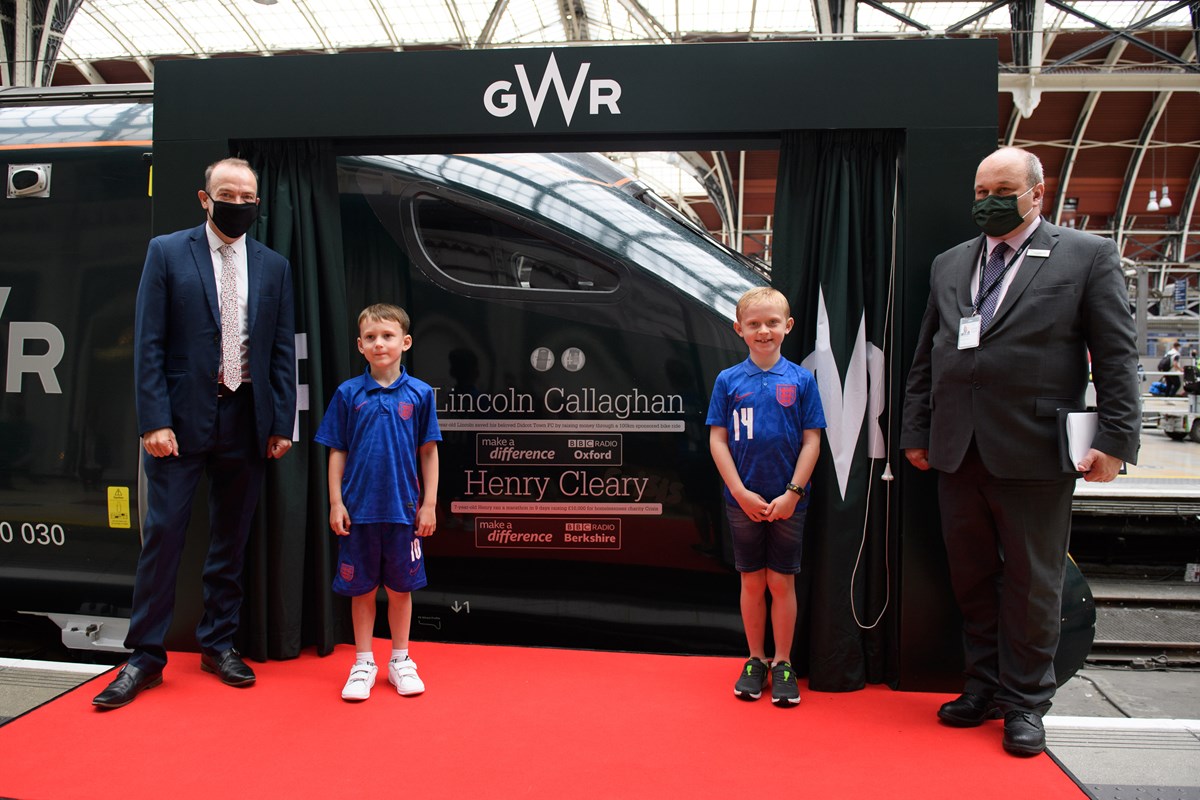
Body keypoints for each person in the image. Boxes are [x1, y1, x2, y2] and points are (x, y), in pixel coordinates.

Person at [901, 147, 1140, 755]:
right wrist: (917, 430)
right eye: (980, 191)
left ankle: (1027, 701)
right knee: (973, 579)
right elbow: (928, 355)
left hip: (1035, 452)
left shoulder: (1086, 256)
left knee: (1033, 584)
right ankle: (981, 685)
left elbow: (1116, 356)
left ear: (1038, 192)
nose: (988, 202)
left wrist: (1115, 441)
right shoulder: (951, 263)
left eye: (1002, 189)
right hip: (957, 450)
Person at [93, 157, 296, 709]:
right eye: (227, 193)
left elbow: (280, 352)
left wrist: (282, 422)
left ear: (258, 203)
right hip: (177, 424)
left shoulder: (274, 266)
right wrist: (153, 420)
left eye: (247, 195)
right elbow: (149, 343)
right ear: (205, 199)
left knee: (231, 541)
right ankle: (144, 657)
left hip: (248, 418)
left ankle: (218, 643)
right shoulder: (166, 251)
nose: (239, 202)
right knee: (164, 539)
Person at [314, 304, 441, 702]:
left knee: (402, 590)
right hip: (359, 513)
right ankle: (364, 661)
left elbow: (429, 453)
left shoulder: (420, 394)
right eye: (370, 337)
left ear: (405, 342)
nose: (379, 343)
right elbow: (337, 451)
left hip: (404, 512)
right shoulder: (348, 394)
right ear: (360, 346)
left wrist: (429, 505)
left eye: (387, 336)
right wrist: (336, 503)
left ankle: (401, 660)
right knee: (362, 590)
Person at [706, 287, 825, 707]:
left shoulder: (801, 380)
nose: (763, 331)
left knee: (781, 579)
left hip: (790, 500)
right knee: (752, 580)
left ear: (787, 327)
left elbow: (813, 441)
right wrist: (739, 491)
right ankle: (755, 659)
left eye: (772, 322)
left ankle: (783, 662)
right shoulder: (727, 380)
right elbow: (717, 439)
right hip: (742, 500)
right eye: (753, 324)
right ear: (739, 330)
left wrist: (793, 492)